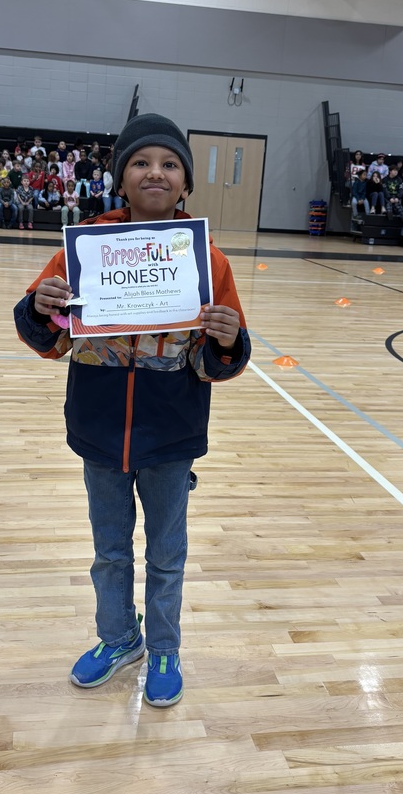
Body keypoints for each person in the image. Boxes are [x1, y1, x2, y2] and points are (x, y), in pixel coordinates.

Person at [14, 113, 251, 707]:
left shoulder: (210, 262)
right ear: (121, 178)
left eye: (170, 164)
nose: (156, 172)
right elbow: (53, 337)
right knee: (110, 551)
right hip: (99, 430)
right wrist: (42, 305)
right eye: (142, 162)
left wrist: (226, 338)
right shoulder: (84, 248)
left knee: (167, 553)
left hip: (172, 434)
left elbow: (219, 359)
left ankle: (165, 646)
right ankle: (120, 638)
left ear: (185, 184)